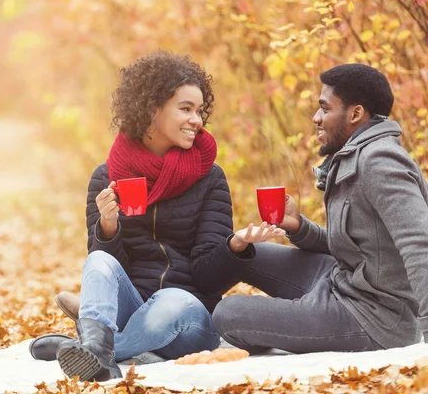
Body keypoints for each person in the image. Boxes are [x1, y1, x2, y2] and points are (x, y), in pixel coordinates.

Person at [28, 51, 283, 381]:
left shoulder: (210, 178)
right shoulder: (106, 178)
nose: (197, 120)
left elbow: (209, 279)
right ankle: (99, 351)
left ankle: (90, 346)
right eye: (185, 109)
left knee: (173, 300)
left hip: (189, 319)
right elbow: (108, 270)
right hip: (134, 309)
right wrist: (108, 226)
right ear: (152, 110)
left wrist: (234, 246)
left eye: (199, 111)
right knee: (97, 263)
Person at [211, 64, 428, 354]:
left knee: (230, 314)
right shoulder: (355, 154)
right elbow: (358, 248)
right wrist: (300, 227)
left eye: (325, 109)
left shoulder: (381, 161)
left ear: (355, 114)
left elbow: (419, 244)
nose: (316, 118)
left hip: (373, 317)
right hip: (343, 280)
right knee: (249, 253)